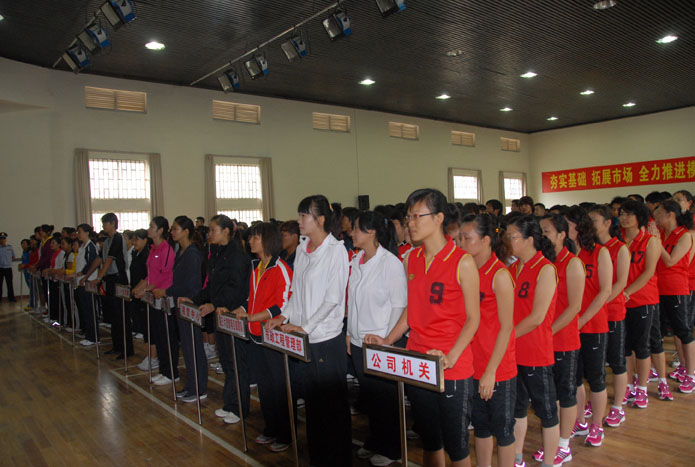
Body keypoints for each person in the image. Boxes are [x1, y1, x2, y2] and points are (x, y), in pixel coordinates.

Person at [366, 189, 480, 467]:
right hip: (419, 364)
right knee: (430, 440)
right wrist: (388, 340)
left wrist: (451, 356)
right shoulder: (411, 259)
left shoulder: (462, 262)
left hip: (451, 367)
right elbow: (411, 310)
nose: (411, 223)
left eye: (418, 216)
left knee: (457, 447)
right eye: (409, 217)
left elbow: (473, 318)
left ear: (439, 218)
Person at [266, 195, 351, 467]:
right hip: (304, 340)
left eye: (305, 216)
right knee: (314, 407)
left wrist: (305, 327)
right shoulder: (303, 249)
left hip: (325, 340)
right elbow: (296, 293)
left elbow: (333, 299)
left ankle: (338, 460)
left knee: (332, 409)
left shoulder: (335, 251)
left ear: (321, 219)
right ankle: (319, 458)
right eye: (300, 215)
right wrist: (284, 315)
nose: (300, 221)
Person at [346, 211, 406, 466]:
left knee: (385, 398)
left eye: (356, 229)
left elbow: (399, 305)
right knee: (371, 396)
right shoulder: (356, 260)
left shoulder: (390, 263)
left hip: (380, 341)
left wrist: (387, 340)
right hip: (358, 341)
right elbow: (352, 300)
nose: (351, 233)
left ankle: (392, 448)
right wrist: (349, 332)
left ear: (371, 232)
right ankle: (376, 439)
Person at [229, 222, 294, 453]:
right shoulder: (255, 266)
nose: (250, 241)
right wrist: (239, 310)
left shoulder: (281, 268)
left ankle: (286, 433)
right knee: (265, 386)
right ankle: (271, 427)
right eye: (250, 237)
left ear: (268, 240)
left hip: (273, 336)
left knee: (279, 386)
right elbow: (251, 299)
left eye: (255, 237)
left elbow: (283, 305)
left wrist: (253, 317)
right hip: (256, 335)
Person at [460, 213, 517, 467]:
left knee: (503, 430)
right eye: (460, 238)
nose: (461, 243)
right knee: (480, 427)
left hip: (497, 367)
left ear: (485, 240)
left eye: (467, 238)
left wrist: (491, 371)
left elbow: (506, 327)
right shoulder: (466, 272)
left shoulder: (499, 275)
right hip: (470, 363)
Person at [506, 215, 559, 467]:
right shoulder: (511, 269)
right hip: (512, 352)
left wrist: (506, 338)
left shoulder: (545, 269)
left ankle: (549, 461)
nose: (508, 241)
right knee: (517, 408)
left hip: (535, 352)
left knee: (546, 411)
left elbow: (537, 317)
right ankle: (517, 456)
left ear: (529, 239)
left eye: (512, 236)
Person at [190, 214, 249, 424]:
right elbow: (213, 285)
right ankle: (229, 403)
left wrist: (215, 304)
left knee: (236, 363)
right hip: (220, 315)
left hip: (233, 315)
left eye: (213, 230)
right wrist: (195, 300)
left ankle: (239, 407)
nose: (209, 234)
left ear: (226, 231)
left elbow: (236, 287)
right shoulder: (216, 252)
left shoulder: (237, 255)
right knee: (226, 361)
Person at [538, 213, 584, 465]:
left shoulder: (572, 263)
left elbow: (574, 307)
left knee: (566, 394)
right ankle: (552, 442)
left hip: (563, 339)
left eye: (546, 231)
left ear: (562, 234)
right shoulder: (542, 262)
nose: (542, 235)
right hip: (543, 340)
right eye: (540, 231)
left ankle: (564, 444)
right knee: (549, 395)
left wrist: (548, 331)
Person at [565, 206, 612, 447]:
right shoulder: (563, 254)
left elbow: (605, 291)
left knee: (595, 378)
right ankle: (580, 420)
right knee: (574, 378)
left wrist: (582, 320)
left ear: (578, 226)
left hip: (593, 325)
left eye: (567, 224)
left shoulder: (598, 252)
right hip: (569, 327)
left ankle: (597, 425)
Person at [588, 205, 630, 427]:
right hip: (594, 315)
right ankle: (596, 402)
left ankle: (618, 407)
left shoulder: (619, 248)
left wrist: (599, 304)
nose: (589, 225)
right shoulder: (589, 249)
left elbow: (621, 282)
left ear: (606, 223)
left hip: (612, 312)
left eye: (594, 220)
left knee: (616, 360)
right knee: (595, 366)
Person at [158, 216, 206, 402]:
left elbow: (192, 285)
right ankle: (191, 385)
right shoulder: (181, 251)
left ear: (186, 231)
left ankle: (199, 388)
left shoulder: (192, 253)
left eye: (176, 228)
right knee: (186, 347)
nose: (172, 232)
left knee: (193, 347)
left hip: (190, 305)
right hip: (180, 304)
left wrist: (167, 291)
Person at [620, 200, 660, 409]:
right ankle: (627, 386)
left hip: (642, 300)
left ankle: (642, 388)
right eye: (622, 214)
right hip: (619, 302)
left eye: (629, 214)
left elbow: (648, 272)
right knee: (624, 347)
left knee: (641, 346)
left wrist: (627, 292)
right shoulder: (617, 239)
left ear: (640, 217)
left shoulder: (650, 241)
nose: (624, 218)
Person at [653, 200, 695, 393]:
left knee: (684, 332)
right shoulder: (663, 234)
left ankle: (691, 374)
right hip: (659, 289)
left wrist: (656, 242)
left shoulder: (684, 235)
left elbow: (671, 261)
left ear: (670, 214)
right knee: (664, 332)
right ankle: (679, 368)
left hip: (676, 289)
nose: (655, 217)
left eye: (658, 213)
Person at [133, 217, 175, 383]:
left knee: (166, 336)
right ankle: (163, 371)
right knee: (158, 335)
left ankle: (171, 374)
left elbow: (165, 276)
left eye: (152, 226)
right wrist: (140, 287)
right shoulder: (153, 249)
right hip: (153, 298)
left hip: (164, 298)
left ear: (160, 230)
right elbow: (150, 276)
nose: (149, 229)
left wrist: (146, 289)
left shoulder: (166, 249)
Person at [91, 214, 131, 359]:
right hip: (110, 279)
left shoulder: (118, 238)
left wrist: (99, 277)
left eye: (105, 223)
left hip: (119, 279)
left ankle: (127, 349)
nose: (103, 226)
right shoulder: (107, 240)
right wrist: (87, 275)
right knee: (114, 315)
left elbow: (109, 260)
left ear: (113, 223)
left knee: (122, 315)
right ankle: (117, 346)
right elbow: (99, 259)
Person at [75, 224, 99, 346]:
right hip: (81, 282)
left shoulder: (91, 246)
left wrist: (82, 274)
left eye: (80, 232)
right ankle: (88, 335)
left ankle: (94, 337)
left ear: (87, 233)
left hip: (89, 281)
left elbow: (91, 263)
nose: (78, 234)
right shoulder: (82, 247)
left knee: (90, 309)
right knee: (84, 309)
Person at [0, 232, 17, 302]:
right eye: (1, 239)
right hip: (0, 268)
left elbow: (13, 257)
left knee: (9, 284)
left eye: (3, 239)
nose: (2, 240)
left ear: (5, 239)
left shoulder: (10, 247)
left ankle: (11, 298)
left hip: (8, 268)